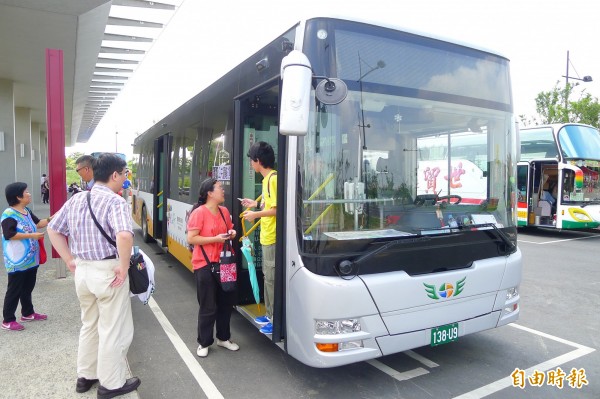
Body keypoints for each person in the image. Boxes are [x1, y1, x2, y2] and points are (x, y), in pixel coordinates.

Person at [48, 153, 140, 398]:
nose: (124, 178)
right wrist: (122, 265)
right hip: (108, 271)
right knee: (113, 329)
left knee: (89, 324)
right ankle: (112, 383)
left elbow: (52, 228)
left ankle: (86, 376)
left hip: (83, 271)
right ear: (114, 175)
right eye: (124, 174)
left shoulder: (77, 200)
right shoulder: (115, 202)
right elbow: (124, 235)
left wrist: (68, 259)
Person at [186, 178, 239, 358]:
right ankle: (204, 342)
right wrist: (216, 239)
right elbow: (191, 239)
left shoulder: (224, 211)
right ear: (209, 192)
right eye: (220, 188)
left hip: (225, 264)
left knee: (226, 303)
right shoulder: (199, 213)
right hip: (204, 265)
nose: (223, 190)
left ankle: (223, 338)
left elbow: (231, 230)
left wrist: (232, 233)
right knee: (208, 306)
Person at [2, 182, 51, 331]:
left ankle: (28, 313)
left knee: (27, 287)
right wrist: (31, 235)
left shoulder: (26, 211)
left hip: (30, 259)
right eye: (26, 192)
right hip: (17, 260)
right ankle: (8, 320)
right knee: (14, 289)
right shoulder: (8, 214)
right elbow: (9, 234)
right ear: (18, 197)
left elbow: (39, 223)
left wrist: (51, 218)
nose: (29, 194)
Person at [241, 141, 277, 335]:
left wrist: (254, 215)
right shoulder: (267, 180)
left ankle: (274, 317)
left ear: (258, 161)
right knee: (267, 277)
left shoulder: (272, 179)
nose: (251, 164)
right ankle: (269, 313)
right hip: (266, 236)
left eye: (251, 160)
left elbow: (277, 209)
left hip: (272, 237)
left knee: (271, 278)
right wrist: (253, 203)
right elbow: (267, 204)